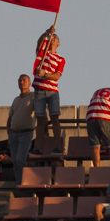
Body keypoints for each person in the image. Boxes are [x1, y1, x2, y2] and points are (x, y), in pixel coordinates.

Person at [32, 25, 66, 155]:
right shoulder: (42, 53)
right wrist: (47, 32)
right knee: (40, 120)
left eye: (55, 37)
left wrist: (44, 74)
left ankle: (58, 147)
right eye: (52, 36)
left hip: (52, 91)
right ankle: (37, 148)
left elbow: (57, 76)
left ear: (58, 43)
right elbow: (38, 42)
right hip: (39, 90)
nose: (53, 38)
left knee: (54, 118)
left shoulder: (61, 59)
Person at [6, 74, 35, 184]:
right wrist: (9, 130)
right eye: (20, 80)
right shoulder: (16, 100)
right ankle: (19, 182)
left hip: (25, 133)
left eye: (24, 80)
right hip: (13, 134)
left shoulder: (33, 97)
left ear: (29, 83)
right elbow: (10, 117)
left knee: (20, 160)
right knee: (15, 162)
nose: (21, 82)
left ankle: (26, 183)